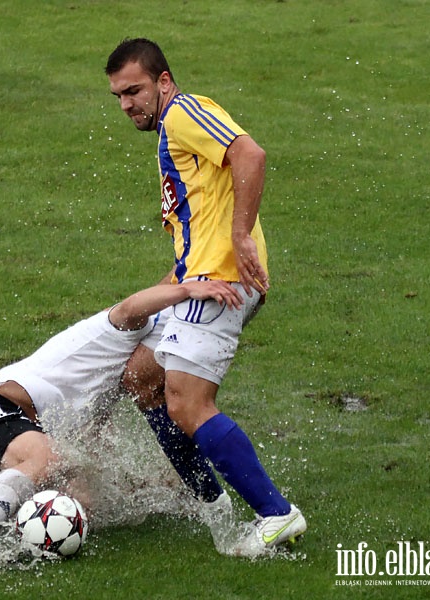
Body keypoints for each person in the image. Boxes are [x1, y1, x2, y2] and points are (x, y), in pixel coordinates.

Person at [104, 38, 307, 557]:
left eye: (135, 90)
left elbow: (250, 153)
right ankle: (209, 500)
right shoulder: (170, 133)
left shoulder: (183, 112)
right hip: (202, 278)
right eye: (119, 96)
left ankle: (276, 514)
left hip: (220, 282)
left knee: (187, 402)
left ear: (163, 82)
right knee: (142, 380)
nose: (128, 104)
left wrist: (241, 236)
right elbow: (198, 219)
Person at [0, 279, 244, 554]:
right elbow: (130, 306)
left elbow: (87, 437)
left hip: (16, 440)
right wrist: (188, 289)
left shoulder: (118, 379)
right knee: (49, 458)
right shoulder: (127, 330)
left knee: (84, 502)